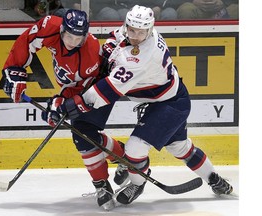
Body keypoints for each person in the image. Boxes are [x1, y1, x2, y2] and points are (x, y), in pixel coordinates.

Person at [49, 5, 234, 206]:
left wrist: (70, 105)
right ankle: (215, 180)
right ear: (127, 24)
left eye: (141, 32)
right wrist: (111, 47)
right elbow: (114, 38)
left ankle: (137, 183)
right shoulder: (132, 31)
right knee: (178, 146)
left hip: (170, 104)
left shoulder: (140, 57)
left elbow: (107, 91)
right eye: (132, 30)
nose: (135, 36)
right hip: (162, 98)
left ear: (150, 29)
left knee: (135, 148)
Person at [1, 9, 126, 210]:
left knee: (82, 134)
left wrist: (60, 104)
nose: (72, 41)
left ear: (85, 36)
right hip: (77, 86)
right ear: (61, 29)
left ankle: (103, 184)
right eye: (69, 36)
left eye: (78, 38)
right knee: (85, 135)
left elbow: (83, 89)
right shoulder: (49, 25)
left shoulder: (89, 53)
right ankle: (124, 158)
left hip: (99, 87)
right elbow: (28, 40)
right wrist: (13, 70)